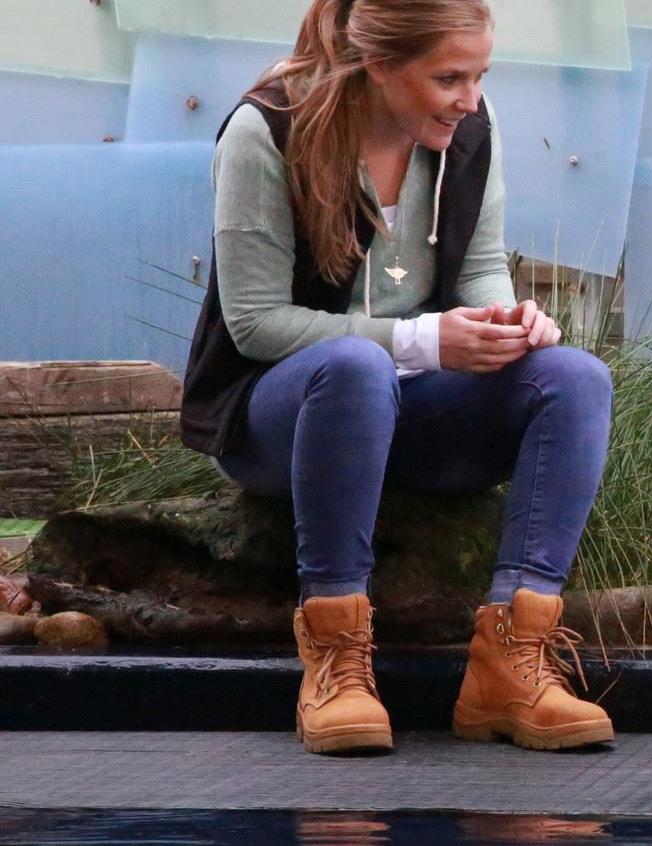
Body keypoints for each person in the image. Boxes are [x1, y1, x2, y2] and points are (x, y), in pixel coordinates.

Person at [179, 0, 614, 755]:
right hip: (284, 416)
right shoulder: (267, 130)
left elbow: (478, 267)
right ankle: (337, 658)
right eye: (448, 77)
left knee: (573, 377)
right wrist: (421, 340)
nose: (470, 98)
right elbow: (254, 324)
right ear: (379, 65)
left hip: (411, 408)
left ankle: (512, 658)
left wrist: (505, 327)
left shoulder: (469, 131)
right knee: (353, 368)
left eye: (479, 75)